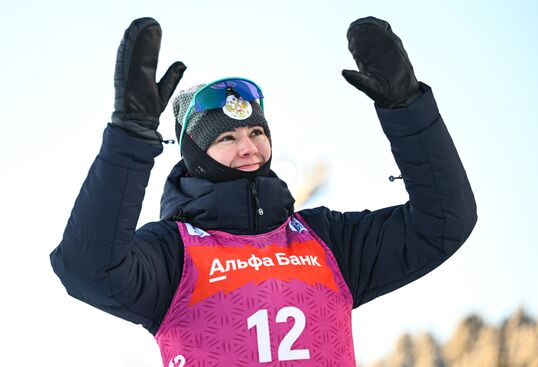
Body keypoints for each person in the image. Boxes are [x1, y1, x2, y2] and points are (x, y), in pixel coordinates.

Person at [50, 16, 477, 367]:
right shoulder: (171, 253)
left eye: (256, 131)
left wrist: (406, 110)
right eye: (226, 138)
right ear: (195, 155)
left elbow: (443, 223)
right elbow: (87, 268)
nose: (249, 147)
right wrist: (130, 137)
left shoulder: (326, 241)